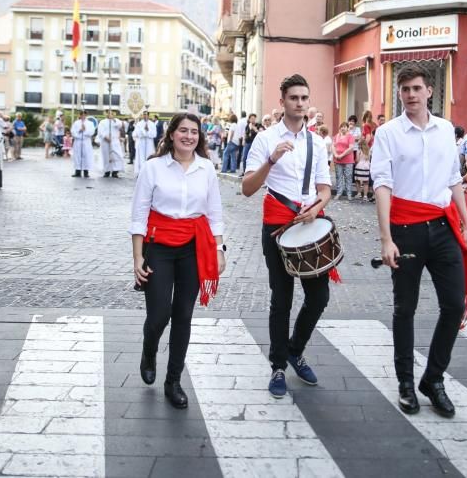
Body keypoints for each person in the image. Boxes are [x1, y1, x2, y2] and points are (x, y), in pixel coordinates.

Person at [371, 66, 467, 418]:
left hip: (444, 227)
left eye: (417, 88)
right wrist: (386, 239)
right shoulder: (388, 133)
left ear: (429, 91)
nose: (411, 94)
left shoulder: (446, 129)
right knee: (406, 309)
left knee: (454, 305)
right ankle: (405, 382)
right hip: (405, 229)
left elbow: (453, 179)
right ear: (399, 93)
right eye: (405, 89)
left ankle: (433, 379)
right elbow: (382, 185)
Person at [242, 74, 332, 399]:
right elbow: (247, 188)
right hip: (277, 226)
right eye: (293, 98)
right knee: (281, 299)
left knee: (319, 296)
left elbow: (325, 188)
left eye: (304, 98)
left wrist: (317, 206)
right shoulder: (265, 139)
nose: (299, 103)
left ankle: (296, 349)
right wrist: (271, 161)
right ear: (282, 101)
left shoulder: (317, 143)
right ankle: (278, 365)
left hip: (309, 226)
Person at [130, 113, 226, 408]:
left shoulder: (206, 168)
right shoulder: (153, 168)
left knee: (183, 314)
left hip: (193, 247)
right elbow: (139, 214)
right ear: (171, 134)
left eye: (194, 132)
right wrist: (137, 258)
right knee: (159, 315)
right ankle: (149, 349)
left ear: (200, 136)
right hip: (158, 245)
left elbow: (214, 212)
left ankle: (173, 381)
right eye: (182, 130)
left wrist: (220, 249)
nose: (188, 136)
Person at [97, 110, 125, 178]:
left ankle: (115, 171)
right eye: (109, 113)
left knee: (117, 156)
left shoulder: (116, 120)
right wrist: (105, 137)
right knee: (106, 157)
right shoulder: (102, 122)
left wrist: (113, 119)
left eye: (111, 113)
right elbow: (100, 131)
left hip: (114, 141)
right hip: (106, 141)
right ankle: (107, 171)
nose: (110, 115)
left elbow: (120, 125)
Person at [332, 121, 356, 200]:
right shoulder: (336, 136)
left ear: (347, 128)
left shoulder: (350, 136)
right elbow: (333, 146)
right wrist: (335, 154)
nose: (343, 128)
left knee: (348, 177)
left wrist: (342, 155)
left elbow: (351, 148)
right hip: (337, 159)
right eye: (341, 127)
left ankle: (349, 193)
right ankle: (339, 193)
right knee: (338, 176)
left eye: (344, 127)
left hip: (348, 160)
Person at [70, 110, 95, 178]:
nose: (83, 116)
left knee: (86, 156)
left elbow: (92, 132)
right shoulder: (76, 123)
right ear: (80, 115)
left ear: (86, 115)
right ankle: (77, 171)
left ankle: (86, 172)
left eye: (85, 115)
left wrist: (85, 130)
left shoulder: (90, 123)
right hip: (78, 141)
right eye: (82, 115)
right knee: (77, 156)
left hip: (86, 142)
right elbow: (73, 132)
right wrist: (80, 130)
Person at [354, 138, 372, 203]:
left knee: (357, 180)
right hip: (367, 167)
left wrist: (355, 161)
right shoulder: (368, 151)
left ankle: (359, 193)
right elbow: (369, 159)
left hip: (359, 167)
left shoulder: (359, 151)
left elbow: (357, 160)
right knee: (366, 182)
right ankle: (365, 196)